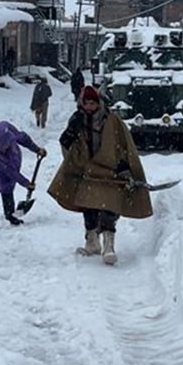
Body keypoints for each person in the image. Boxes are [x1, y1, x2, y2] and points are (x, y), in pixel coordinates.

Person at [47, 85, 151, 265]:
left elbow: (123, 145)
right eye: (86, 103)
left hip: (110, 171)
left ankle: (109, 245)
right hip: (88, 172)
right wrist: (71, 131)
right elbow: (66, 143)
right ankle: (92, 241)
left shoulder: (112, 120)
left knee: (109, 207)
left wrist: (124, 167)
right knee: (89, 207)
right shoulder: (77, 119)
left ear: (98, 103)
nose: (89, 106)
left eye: (92, 103)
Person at [0, 120, 46, 226]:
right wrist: (26, 183)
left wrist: (36, 149)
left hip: (3, 158)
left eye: (7, 147)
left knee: (7, 184)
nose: (5, 150)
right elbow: (7, 169)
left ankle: (10, 216)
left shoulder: (7, 130)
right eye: (3, 148)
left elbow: (22, 138)